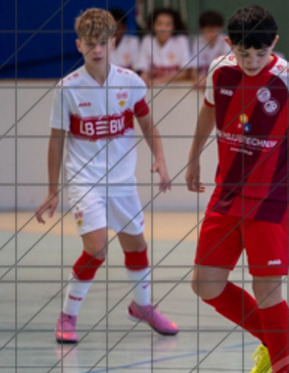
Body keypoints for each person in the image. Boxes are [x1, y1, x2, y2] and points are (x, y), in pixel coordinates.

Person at [185, 5, 289, 373]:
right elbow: (209, 108)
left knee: (268, 290)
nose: (251, 62)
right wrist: (194, 156)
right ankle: (280, 339)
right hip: (226, 195)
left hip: (270, 200)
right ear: (229, 45)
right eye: (243, 53)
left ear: (275, 44)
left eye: (260, 53)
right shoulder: (220, 71)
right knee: (205, 284)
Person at [35, 8, 177, 344]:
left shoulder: (130, 82)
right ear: (79, 45)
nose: (96, 49)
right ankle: (68, 315)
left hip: (122, 182)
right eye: (90, 43)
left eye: (102, 42)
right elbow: (56, 141)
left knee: (137, 245)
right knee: (97, 249)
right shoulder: (67, 89)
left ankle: (141, 306)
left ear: (113, 42)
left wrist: (160, 159)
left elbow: (148, 125)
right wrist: (52, 189)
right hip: (85, 182)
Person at [136, 7, 194, 86]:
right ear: (153, 25)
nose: (163, 28)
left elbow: (185, 72)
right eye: (159, 24)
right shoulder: (147, 41)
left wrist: (158, 81)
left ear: (174, 27)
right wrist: (143, 80)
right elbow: (143, 70)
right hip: (153, 87)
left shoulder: (181, 41)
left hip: (176, 86)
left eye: (168, 25)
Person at [193, 10, 230, 88]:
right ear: (202, 29)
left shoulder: (226, 42)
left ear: (220, 28)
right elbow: (194, 69)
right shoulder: (198, 42)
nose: (212, 33)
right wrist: (197, 78)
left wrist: (208, 79)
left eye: (215, 29)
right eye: (209, 30)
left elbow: (228, 69)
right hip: (202, 82)